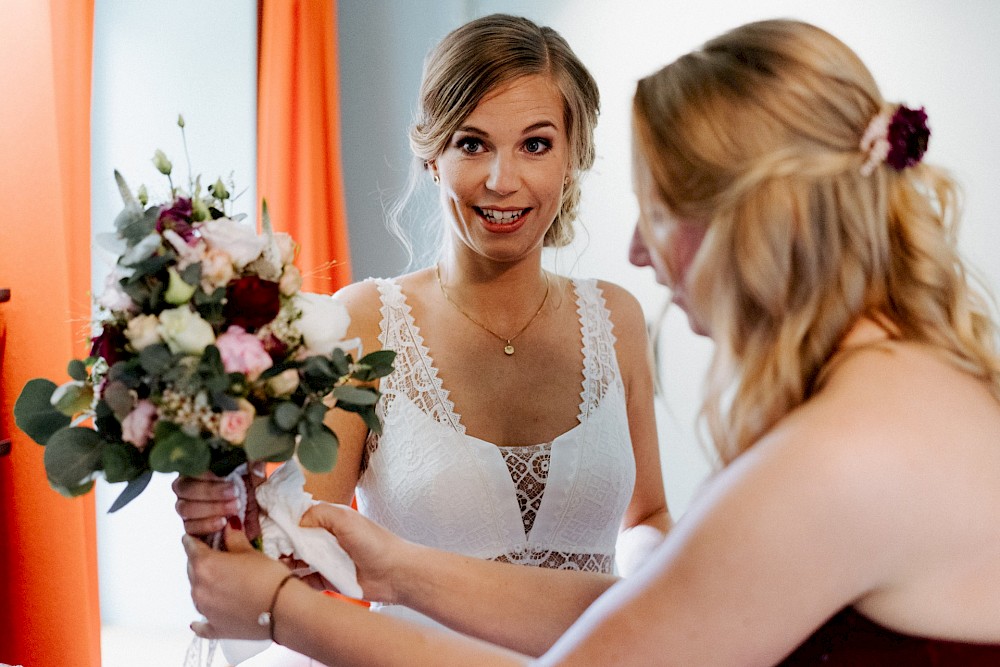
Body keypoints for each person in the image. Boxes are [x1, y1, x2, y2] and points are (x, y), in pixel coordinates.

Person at [183, 18, 1000, 665]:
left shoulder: (843, 453)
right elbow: (657, 616)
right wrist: (395, 567)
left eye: (660, 208)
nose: (640, 250)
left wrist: (276, 609)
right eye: (474, 142)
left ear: (756, 218)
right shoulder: (908, 388)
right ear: (432, 152)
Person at [173, 11, 671, 643]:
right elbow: (296, 548)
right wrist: (225, 505)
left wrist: (656, 591)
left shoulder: (617, 319)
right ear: (433, 155)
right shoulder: (365, 324)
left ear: (573, 157)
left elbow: (648, 513)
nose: (502, 179)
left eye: (536, 144)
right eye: (473, 143)